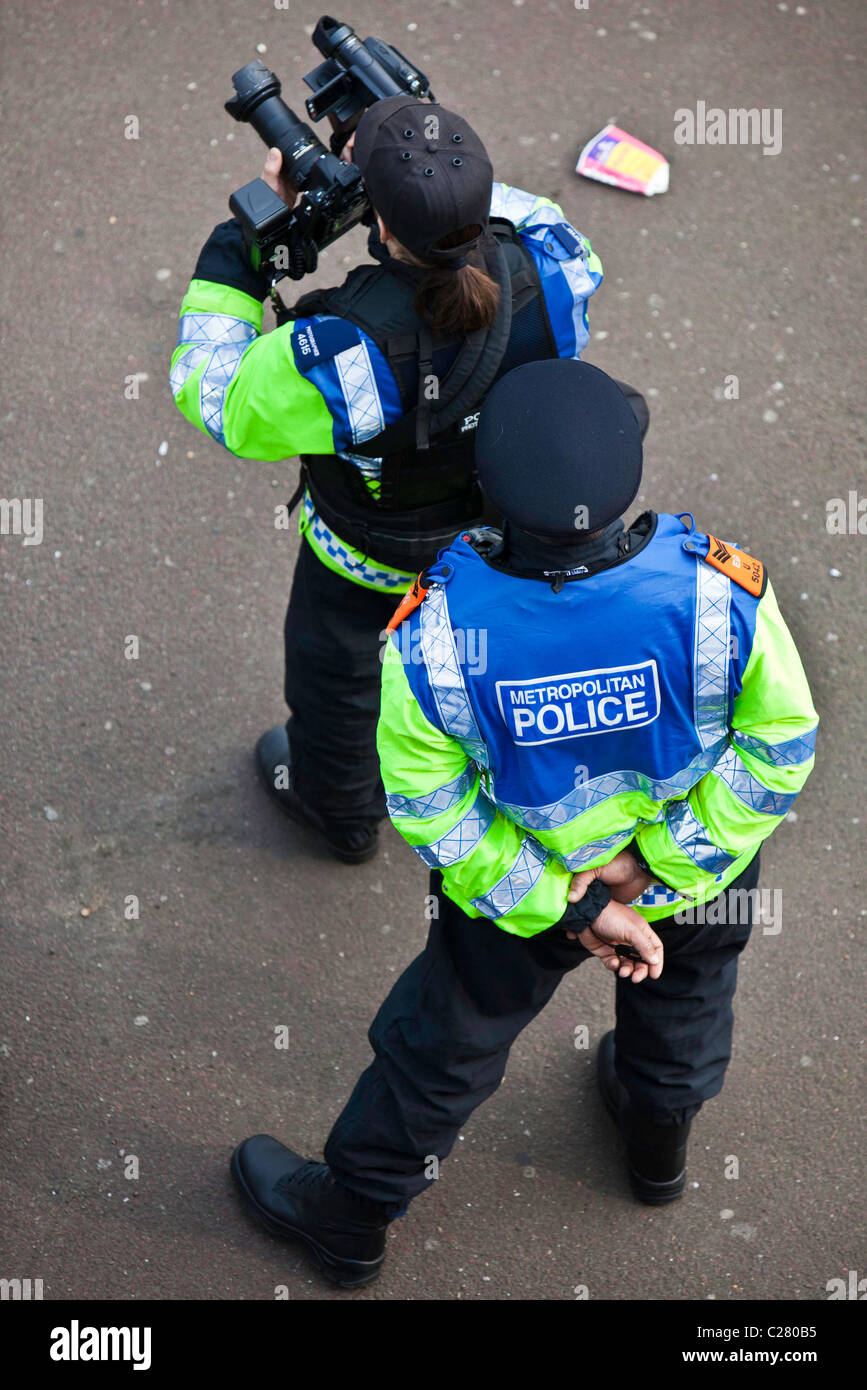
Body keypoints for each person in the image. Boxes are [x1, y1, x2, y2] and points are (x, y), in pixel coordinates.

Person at [230, 359, 818, 1288]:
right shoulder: (719, 593)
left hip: (525, 881)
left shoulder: (436, 630)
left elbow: (430, 804)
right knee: (688, 993)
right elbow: (778, 744)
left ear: (488, 495)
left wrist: (570, 906)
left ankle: (351, 1217)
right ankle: (654, 1150)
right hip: (694, 864)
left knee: (448, 1040)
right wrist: (657, 866)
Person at [171, 92, 648, 862]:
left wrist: (237, 252)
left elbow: (217, 395)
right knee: (489, 650)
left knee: (342, 669)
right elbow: (503, 213)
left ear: (380, 225)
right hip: (501, 538)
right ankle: (486, 768)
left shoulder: (343, 353)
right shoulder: (558, 262)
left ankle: (339, 807)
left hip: (372, 553)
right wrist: (420, 147)